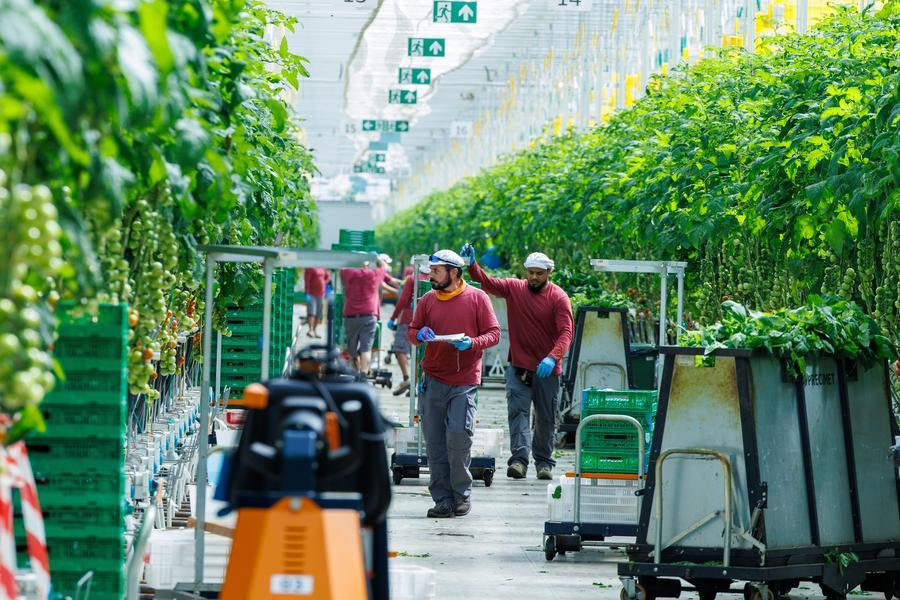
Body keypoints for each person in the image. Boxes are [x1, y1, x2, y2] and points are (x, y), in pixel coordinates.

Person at [460, 245, 573, 481]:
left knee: (545, 417)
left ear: (549, 272)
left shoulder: (558, 298)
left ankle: (544, 463)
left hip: (548, 370)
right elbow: (487, 283)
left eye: (539, 273)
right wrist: (471, 264)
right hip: (519, 367)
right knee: (518, 413)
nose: (533, 277)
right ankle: (519, 461)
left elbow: (566, 333)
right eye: (530, 272)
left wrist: (553, 357)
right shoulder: (515, 289)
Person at [408, 250, 500, 518]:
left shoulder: (477, 298)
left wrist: (472, 342)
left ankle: (462, 495)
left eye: (436, 271)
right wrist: (419, 334)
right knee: (435, 443)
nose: (430, 276)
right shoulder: (427, 300)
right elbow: (413, 332)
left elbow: (493, 334)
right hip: (433, 380)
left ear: (454, 272)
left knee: (459, 437)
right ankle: (442, 499)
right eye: (430, 271)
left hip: (464, 381)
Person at [340, 255, 399, 374]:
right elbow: (384, 266)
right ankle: (363, 373)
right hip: (369, 315)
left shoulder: (348, 273)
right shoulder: (374, 274)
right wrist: (375, 258)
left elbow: (342, 266)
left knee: (352, 349)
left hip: (351, 316)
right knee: (366, 348)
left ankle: (358, 370)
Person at [387, 263, 429, 396]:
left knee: (399, 349)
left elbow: (403, 300)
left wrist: (393, 318)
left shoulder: (412, 278)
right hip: (426, 322)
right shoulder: (434, 280)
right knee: (418, 353)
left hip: (408, 318)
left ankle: (406, 379)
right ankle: (414, 385)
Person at [303, 267, 330, 338]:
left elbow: (327, 277)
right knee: (312, 312)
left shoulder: (323, 268)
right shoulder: (310, 268)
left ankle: (314, 331)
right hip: (311, 294)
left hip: (321, 294)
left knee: (319, 313)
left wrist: (324, 283)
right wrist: (307, 292)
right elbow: (307, 280)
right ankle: (310, 330)